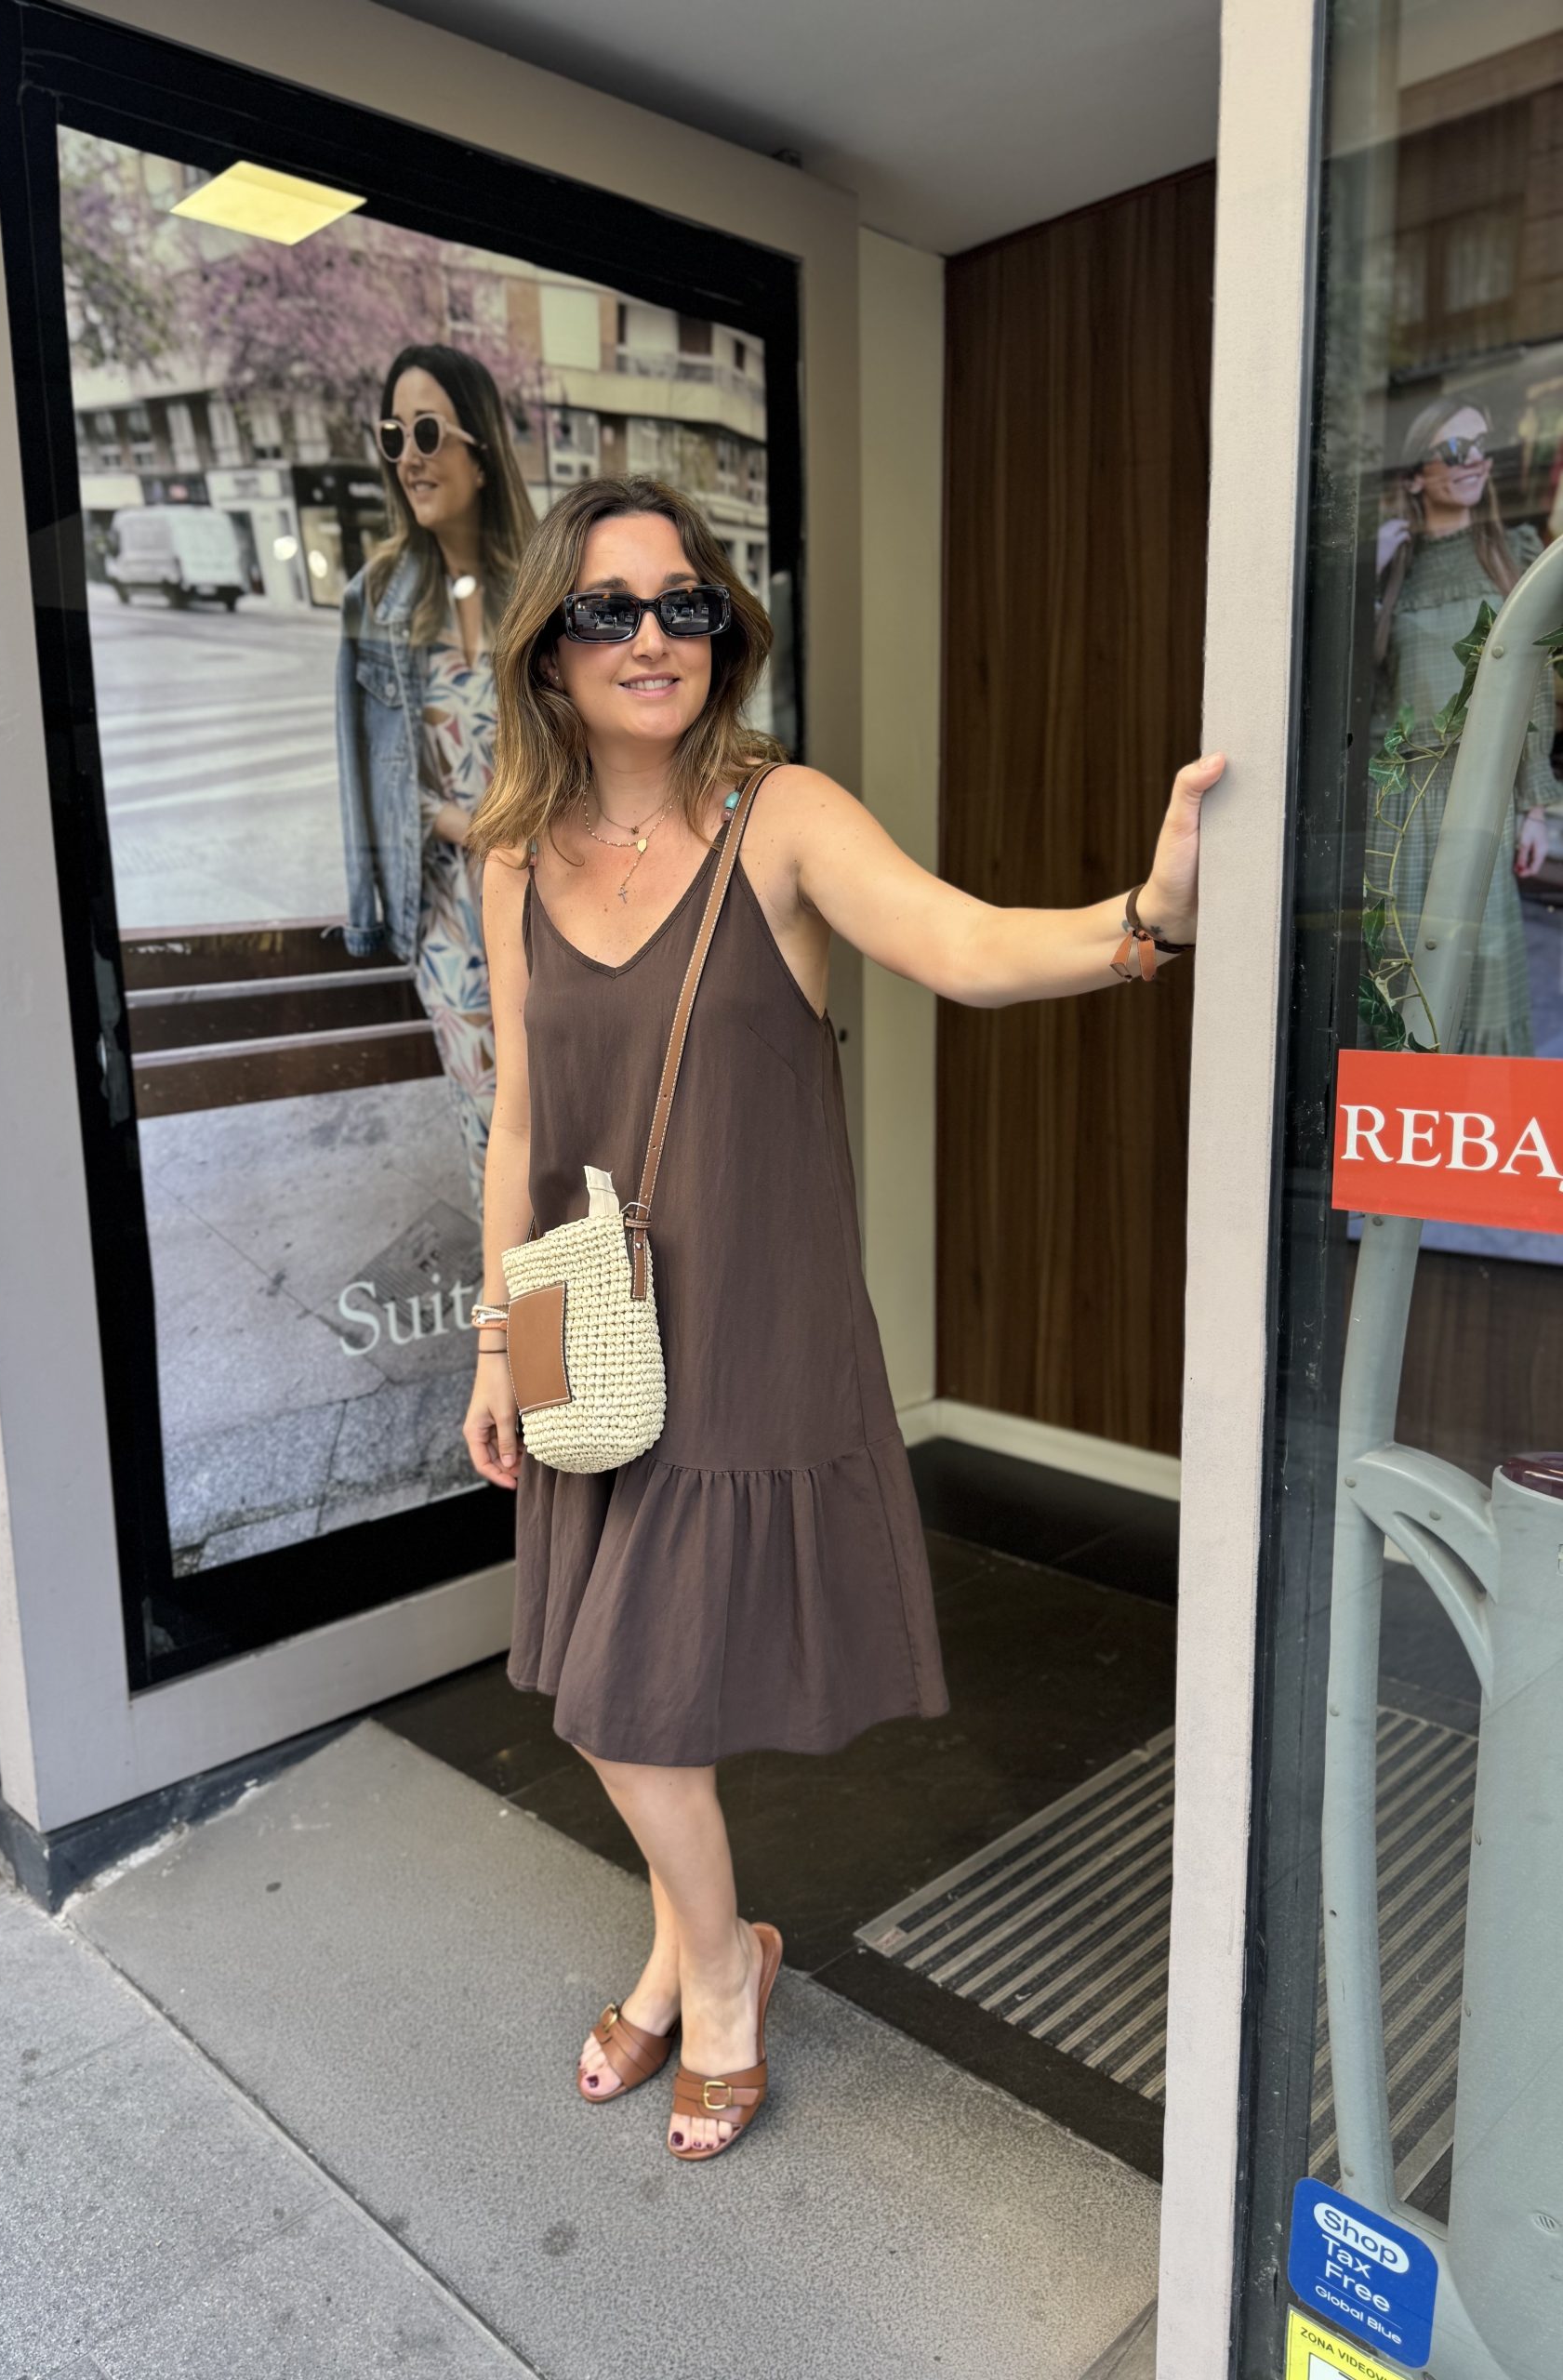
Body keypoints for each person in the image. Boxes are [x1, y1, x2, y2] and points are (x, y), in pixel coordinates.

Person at [459, 474, 1222, 2163]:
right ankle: (687, 1952)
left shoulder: (780, 815)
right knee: (628, 1686)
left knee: (621, 1701)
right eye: (606, 610)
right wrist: (497, 1342)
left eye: (682, 603)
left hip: (748, 1329)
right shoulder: (515, 861)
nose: (651, 636)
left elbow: (963, 947)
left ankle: (723, 1980)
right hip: (586, 1320)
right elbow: (517, 1120)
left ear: (722, 629)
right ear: (548, 648)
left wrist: (1144, 923)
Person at [335, 344, 537, 1210]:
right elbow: (370, 781)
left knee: (574, 1127)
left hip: (554, 898)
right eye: (394, 437)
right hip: (450, 910)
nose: (409, 457)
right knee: (491, 1126)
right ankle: (510, 1298)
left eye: (427, 432)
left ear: (480, 452)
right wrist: (464, 826)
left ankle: (588, 1297)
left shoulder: (546, 587)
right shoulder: (376, 598)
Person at [1371, 395, 1555, 1054]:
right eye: (1453, 450)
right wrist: (1368, 573)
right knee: (1400, 965)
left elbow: (1533, 689)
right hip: (1399, 800)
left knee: (1481, 961)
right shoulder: (1394, 564)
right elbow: (1361, 684)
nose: (1473, 461)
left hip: (1480, 793)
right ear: (1415, 474)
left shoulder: (1514, 551)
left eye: (1482, 446)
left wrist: (1535, 805)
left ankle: (1470, 1101)